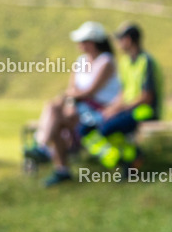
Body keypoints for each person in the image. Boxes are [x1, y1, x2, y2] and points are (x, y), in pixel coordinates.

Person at [29, 22, 120, 187]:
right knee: (54, 107)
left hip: (100, 110)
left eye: (83, 40)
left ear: (92, 42)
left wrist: (70, 97)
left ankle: (45, 150)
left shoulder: (106, 61)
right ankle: (48, 154)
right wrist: (70, 100)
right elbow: (72, 89)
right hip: (80, 107)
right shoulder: (81, 61)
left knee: (58, 113)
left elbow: (89, 91)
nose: (80, 44)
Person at [82, 23, 163, 171]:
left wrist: (120, 109)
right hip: (129, 108)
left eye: (120, 39)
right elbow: (123, 92)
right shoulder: (125, 62)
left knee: (109, 128)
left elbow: (147, 96)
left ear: (128, 40)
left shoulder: (146, 61)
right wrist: (110, 109)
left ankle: (133, 158)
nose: (118, 43)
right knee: (92, 125)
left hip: (145, 110)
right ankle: (129, 159)